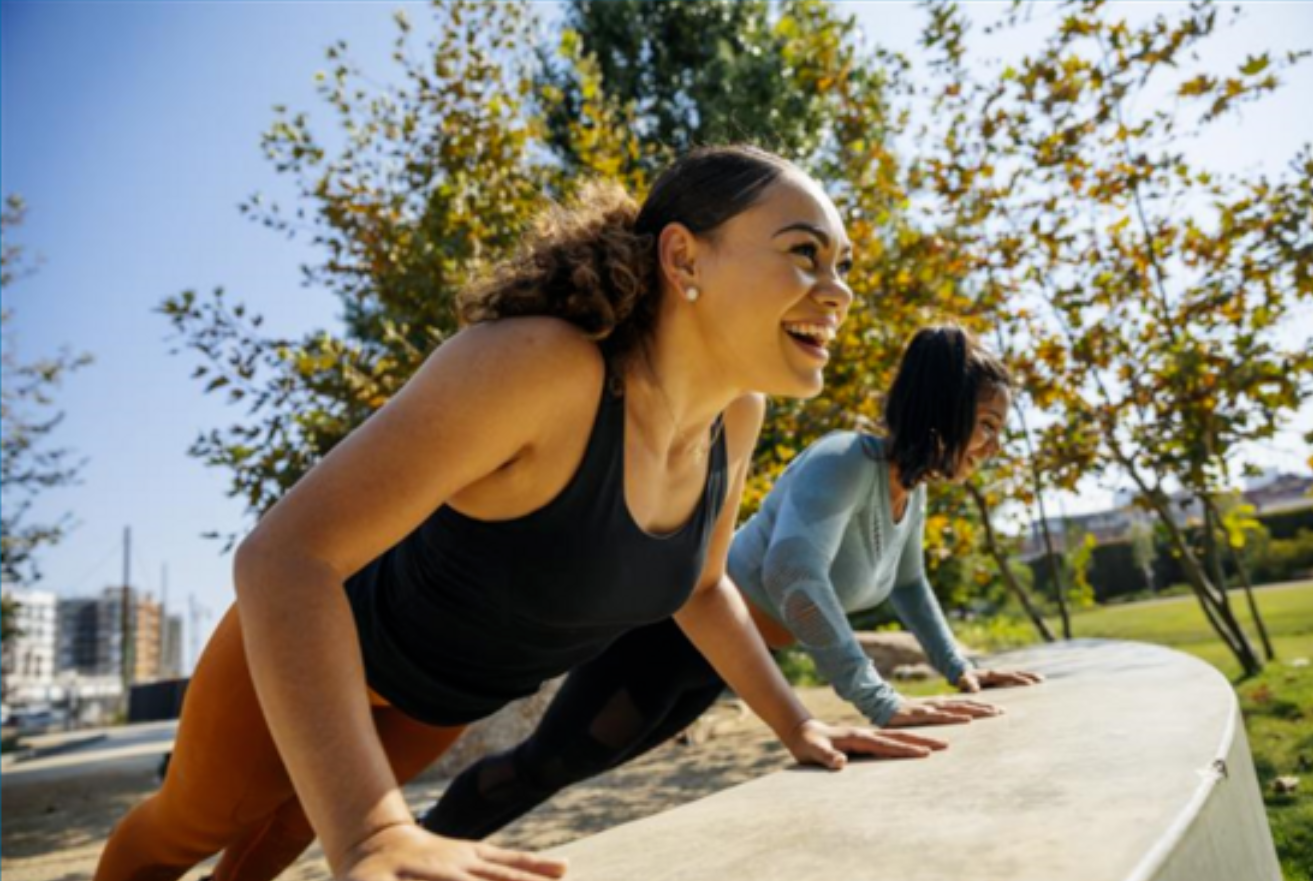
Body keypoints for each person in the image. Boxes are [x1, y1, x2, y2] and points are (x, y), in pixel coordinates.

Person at [95, 145, 948, 881]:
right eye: (804, 254)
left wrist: (801, 726)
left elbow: (701, 587)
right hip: (318, 649)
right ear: (683, 259)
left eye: (842, 266)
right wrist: (372, 827)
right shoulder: (541, 367)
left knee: (285, 830)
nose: (835, 291)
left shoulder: (735, 416)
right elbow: (283, 558)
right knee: (187, 829)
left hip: (440, 696)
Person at [421, 324, 1044, 842]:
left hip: (725, 662)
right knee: (549, 764)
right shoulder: (846, 462)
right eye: (987, 423)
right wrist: (880, 701)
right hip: (668, 639)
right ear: (945, 408)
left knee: (571, 767)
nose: (992, 444)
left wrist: (961, 667)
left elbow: (910, 586)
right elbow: (793, 575)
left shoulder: (910, 493)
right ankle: (420, 841)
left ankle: (433, 851)